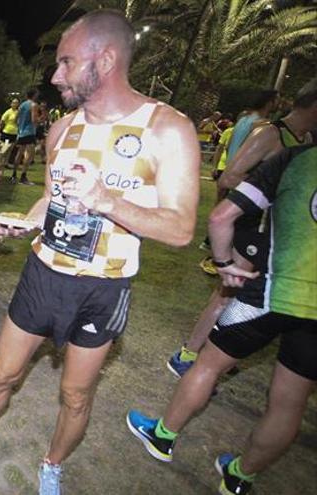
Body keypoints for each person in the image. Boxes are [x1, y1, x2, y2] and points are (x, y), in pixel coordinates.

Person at [0, 11, 200, 494]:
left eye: (66, 63)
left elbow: (181, 228)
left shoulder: (166, 129)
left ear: (107, 59)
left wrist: (106, 199)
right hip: (44, 275)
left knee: (75, 395)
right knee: (3, 374)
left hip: (103, 286)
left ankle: (52, 464)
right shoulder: (62, 132)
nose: (55, 76)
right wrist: (26, 223)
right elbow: (51, 197)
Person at [127, 144, 316, 495]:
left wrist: (224, 262)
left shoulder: (297, 158)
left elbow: (221, 216)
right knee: (291, 401)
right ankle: (240, 476)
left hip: (272, 292)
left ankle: (163, 436)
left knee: (208, 366)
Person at [167, 79, 316, 377]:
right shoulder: (270, 134)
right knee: (227, 294)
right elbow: (229, 177)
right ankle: (188, 355)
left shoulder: (307, 139)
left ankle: (219, 353)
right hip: (252, 230)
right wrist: (270, 195)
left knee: (255, 297)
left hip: (279, 236)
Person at [10, 88, 42, 185]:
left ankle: (14, 175)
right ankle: (23, 177)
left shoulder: (22, 105)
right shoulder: (34, 105)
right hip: (29, 132)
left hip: (21, 133)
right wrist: (41, 119)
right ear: (34, 95)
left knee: (19, 153)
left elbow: (16, 119)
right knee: (29, 154)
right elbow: (34, 120)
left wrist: (21, 127)